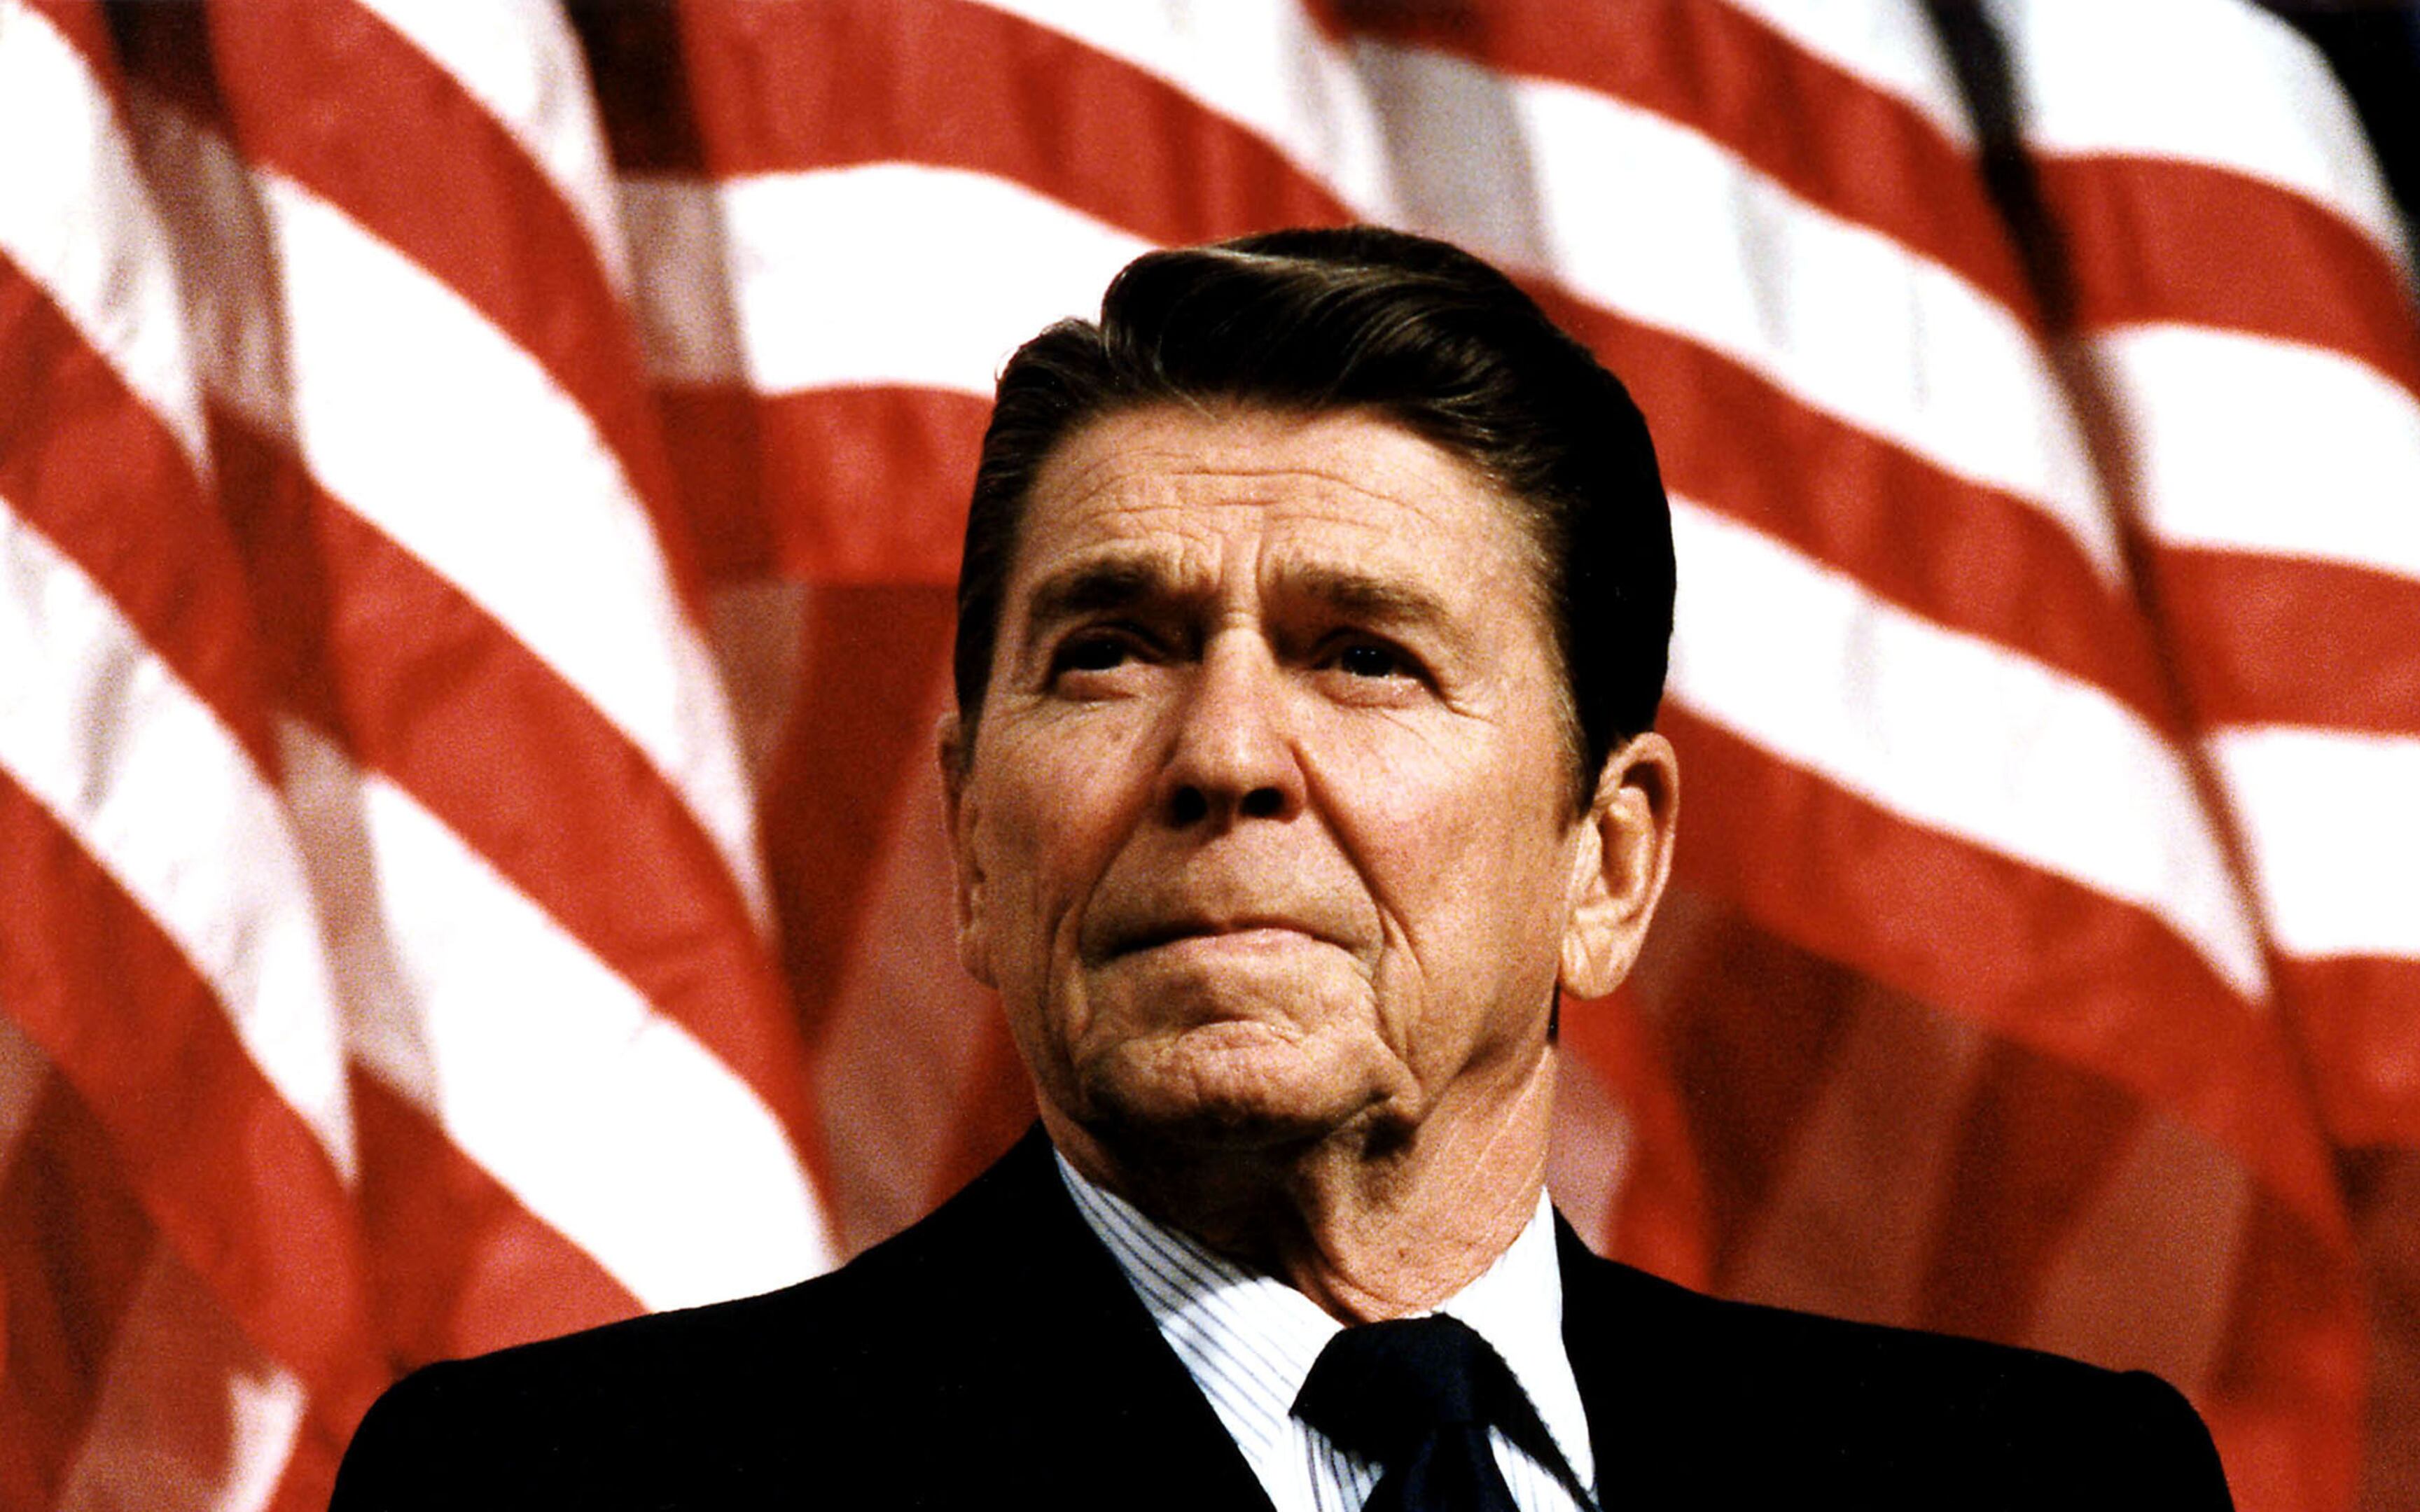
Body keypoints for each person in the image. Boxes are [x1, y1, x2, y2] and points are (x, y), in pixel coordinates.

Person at [329, 226, 2234, 1510]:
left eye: (1365, 654)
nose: (1225, 755)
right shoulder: (562, 1490)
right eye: (1109, 653)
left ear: (1611, 861)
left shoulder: (2052, 1490)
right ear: (975, 847)